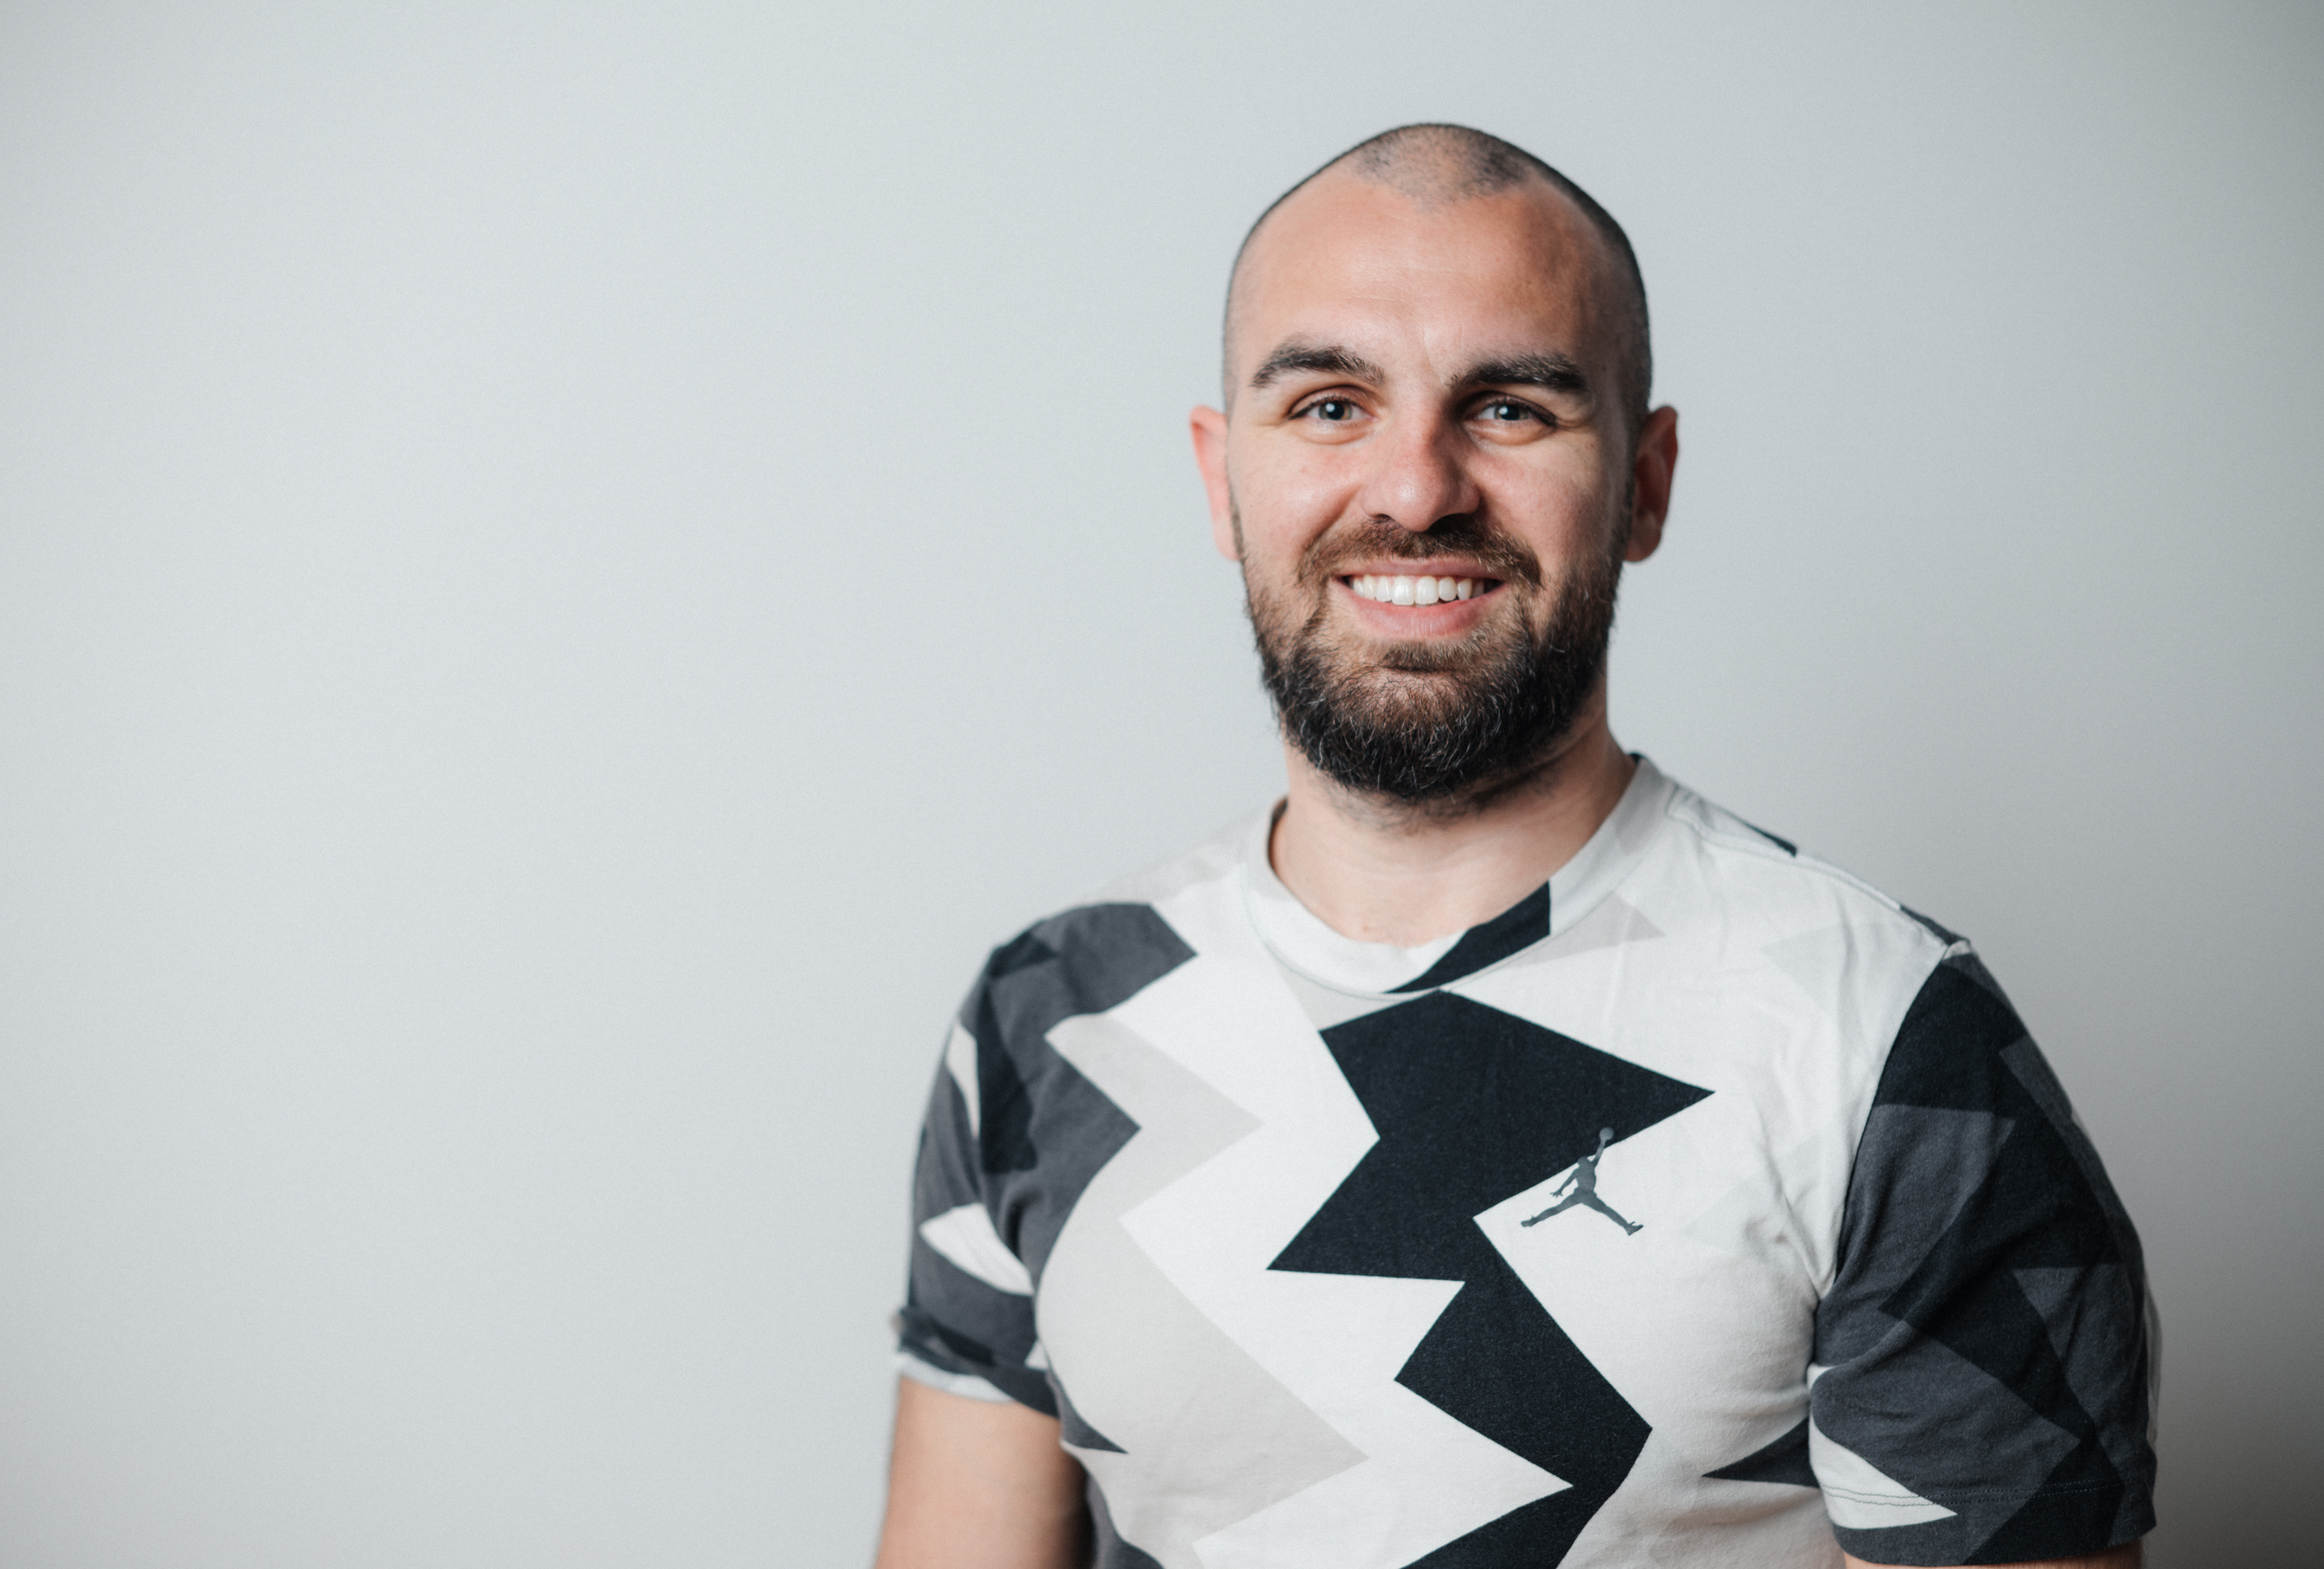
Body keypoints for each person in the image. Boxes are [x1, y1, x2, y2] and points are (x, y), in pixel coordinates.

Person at [874, 124, 2155, 1569]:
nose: (1416, 489)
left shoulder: (1889, 1044)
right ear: (1222, 478)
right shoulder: (1045, 1018)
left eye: (1510, 408)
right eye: (1330, 405)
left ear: (1647, 482)